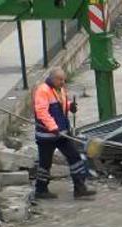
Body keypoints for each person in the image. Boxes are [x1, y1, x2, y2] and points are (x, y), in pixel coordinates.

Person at [33, 67, 95, 200]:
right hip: (47, 135)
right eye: (60, 79)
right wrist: (52, 127)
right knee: (45, 163)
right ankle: (41, 189)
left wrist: (70, 105)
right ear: (52, 78)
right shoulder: (42, 91)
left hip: (61, 133)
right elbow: (42, 112)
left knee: (74, 157)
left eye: (64, 79)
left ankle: (80, 187)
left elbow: (60, 105)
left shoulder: (59, 89)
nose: (63, 82)